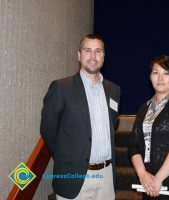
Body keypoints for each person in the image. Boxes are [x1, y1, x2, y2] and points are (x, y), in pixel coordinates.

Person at [40, 34, 120, 200]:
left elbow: (112, 124)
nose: (93, 56)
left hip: (106, 177)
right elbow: (48, 130)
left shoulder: (114, 90)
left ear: (104, 56)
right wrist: (67, 157)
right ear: (79, 55)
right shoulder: (61, 88)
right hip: (74, 176)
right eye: (87, 50)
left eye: (98, 51)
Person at [128, 55, 169, 200]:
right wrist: (143, 174)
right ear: (150, 77)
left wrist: (158, 178)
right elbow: (134, 145)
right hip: (147, 180)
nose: (160, 78)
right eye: (156, 73)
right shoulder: (143, 109)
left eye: (166, 73)